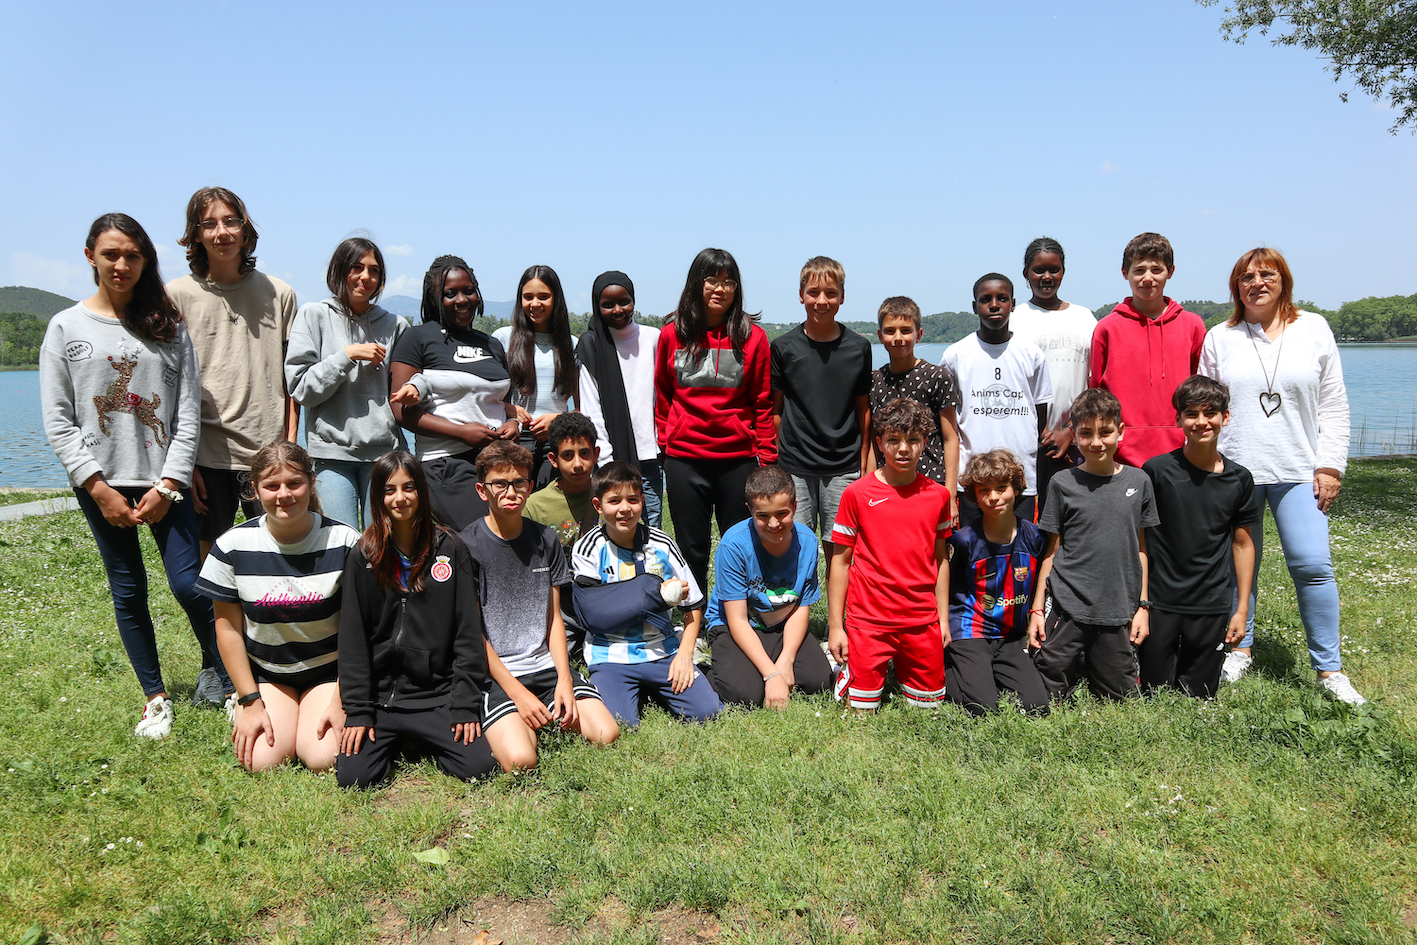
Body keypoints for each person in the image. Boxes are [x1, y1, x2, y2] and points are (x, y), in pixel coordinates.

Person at [40, 212, 232, 736]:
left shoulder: (168, 325)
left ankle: (231, 680)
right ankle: (155, 698)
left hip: (164, 480)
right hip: (101, 483)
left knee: (190, 583)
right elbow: (58, 418)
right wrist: (97, 487)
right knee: (128, 589)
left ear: (146, 260)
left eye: (132, 255)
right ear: (91, 257)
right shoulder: (66, 327)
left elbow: (186, 412)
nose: (121, 264)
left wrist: (169, 484)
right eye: (111, 254)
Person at [1200, 248, 1365, 704]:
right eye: (1246, 277)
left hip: (1299, 471)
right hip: (1236, 472)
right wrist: (1207, 468)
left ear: (1284, 281)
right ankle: (1239, 649)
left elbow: (1334, 404)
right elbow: (1206, 407)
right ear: (1236, 287)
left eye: (1267, 274)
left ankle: (1330, 670)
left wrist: (1330, 465)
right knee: (1237, 568)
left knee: (1312, 565)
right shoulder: (1220, 337)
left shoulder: (1314, 328)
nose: (1257, 283)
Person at [336, 451, 497, 787]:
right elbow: (353, 638)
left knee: (478, 768)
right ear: (378, 497)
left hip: (436, 694)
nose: (400, 498)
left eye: (408, 487)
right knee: (355, 778)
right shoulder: (363, 555)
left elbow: (467, 632)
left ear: (421, 491)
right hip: (383, 698)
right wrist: (359, 711)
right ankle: (395, 739)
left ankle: (425, 737)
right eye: (389, 490)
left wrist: (464, 705)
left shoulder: (450, 548)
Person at [196, 442, 359, 771]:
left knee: (323, 757)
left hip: (330, 672)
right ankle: (276, 711)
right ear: (255, 490)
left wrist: (343, 697)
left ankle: (311, 714)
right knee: (261, 761)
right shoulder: (231, 546)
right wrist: (249, 700)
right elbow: (227, 630)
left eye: (294, 483)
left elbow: (361, 629)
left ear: (311, 483)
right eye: (272, 486)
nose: (284, 494)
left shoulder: (345, 542)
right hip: (268, 674)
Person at [460, 441, 619, 771]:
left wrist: (564, 679)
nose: (511, 492)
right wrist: (518, 695)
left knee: (607, 734)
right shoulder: (466, 546)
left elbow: (554, 619)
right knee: (521, 760)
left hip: (545, 665)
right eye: (500, 484)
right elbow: (474, 635)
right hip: (497, 675)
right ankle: (519, 717)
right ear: (481, 490)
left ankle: (542, 711)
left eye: (519, 483)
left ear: (530, 487)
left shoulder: (546, 539)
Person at [166, 187, 298, 564]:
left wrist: (289, 447)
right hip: (206, 453)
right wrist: (185, 463)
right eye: (209, 224)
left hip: (268, 451)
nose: (221, 232)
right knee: (210, 562)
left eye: (230, 221)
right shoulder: (176, 295)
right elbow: (170, 384)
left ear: (245, 229)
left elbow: (293, 380)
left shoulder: (280, 294)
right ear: (195, 234)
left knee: (279, 554)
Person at [655, 248, 776, 592]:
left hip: (737, 460)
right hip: (685, 459)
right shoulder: (672, 334)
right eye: (712, 280)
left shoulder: (753, 338)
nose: (720, 289)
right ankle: (696, 613)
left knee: (740, 546)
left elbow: (762, 402)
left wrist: (767, 460)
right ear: (697, 283)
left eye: (728, 282)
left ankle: (735, 613)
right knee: (691, 547)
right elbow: (662, 395)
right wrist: (666, 443)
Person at [570, 461, 723, 727]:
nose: (624, 509)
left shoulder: (662, 544)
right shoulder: (588, 549)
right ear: (598, 505)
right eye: (614, 501)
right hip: (610, 654)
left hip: (662, 649)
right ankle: (625, 688)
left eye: (632, 499)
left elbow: (693, 606)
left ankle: (664, 682)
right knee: (620, 723)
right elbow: (591, 612)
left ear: (642, 501)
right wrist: (651, 593)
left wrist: (684, 656)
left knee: (707, 713)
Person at [1028, 389, 1158, 701]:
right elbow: (1051, 553)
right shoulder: (1062, 483)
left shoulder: (1139, 482)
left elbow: (1141, 550)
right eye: (1086, 433)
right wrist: (1037, 609)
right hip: (1068, 604)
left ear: (1120, 431)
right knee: (1045, 691)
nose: (1096, 442)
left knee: (1120, 696)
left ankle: (1095, 660)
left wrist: (1143, 607)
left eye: (1105, 432)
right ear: (1074, 434)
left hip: (1117, 608)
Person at [828, 399, 952, 712]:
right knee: (861, 714)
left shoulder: (938, 496)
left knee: (928, 713)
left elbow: (941, 560)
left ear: (925, 442)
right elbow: (840, 562)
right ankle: (852, 673)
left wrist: (942, 619)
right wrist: (836, 626)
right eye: (894, 440)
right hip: (869, 621)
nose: (903, 449)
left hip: (921, 620)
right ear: (880, 443)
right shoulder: (857, 493)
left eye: (913, 440)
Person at [1139, 376, 1259, 699]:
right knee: (1153, 691)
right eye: (1191, 414)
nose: (1201, 422)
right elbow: (1140, 542)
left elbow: (1243, 545)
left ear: (1225, 417)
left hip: (1211, 603)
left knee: (1199, 694)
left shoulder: (1239, 479)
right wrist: (1141, 604)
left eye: (1210, 413)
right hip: (1161, 601)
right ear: (1178, 419)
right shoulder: (1156, 472)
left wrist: (1240, 610)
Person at [388, 256, 520, 531]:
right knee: (481, 536)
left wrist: (512, 423)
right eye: (450, 294)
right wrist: (461, 432)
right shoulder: (417, 338)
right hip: (445, 465)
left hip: (497, 462)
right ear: (433, 298)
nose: (462, 300)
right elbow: (400, 410)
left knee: (507, 537)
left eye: (468, 291)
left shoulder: (491, 344)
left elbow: (503, 403)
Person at [284, 237, 406, 529]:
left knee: (384, 541)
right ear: (339, 270)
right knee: (341, 541)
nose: (366, 277)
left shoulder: (396, 325)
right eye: (356, 268)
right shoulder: (313, 316)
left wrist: (418, 389)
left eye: (374, 270)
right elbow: (300, 389)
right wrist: (347, 356)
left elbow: (415, 380)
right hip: (330, 454)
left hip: (384, 454)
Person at [771, 256, 872, 589]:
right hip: (796, 466)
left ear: (842, 296)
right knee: (795, 548)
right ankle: (795, 614)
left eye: (830, 293)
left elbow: (863, 409)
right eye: (813, 293)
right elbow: (776, 409)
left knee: (840, 552)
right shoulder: (783, 347)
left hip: (843, 465)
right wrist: (781, 455)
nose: (822, 301)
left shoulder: (859, 347)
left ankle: (837, 619)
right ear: (801, 295)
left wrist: (864, 460)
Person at [703, 465, 834, 708]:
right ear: (750, 510)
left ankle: (771, 659)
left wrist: (787, 659)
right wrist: (772, 674)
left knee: (819, 682)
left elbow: (800, 607)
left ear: (795, 506)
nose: (773, 523)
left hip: (782, 622)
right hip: (735, 625)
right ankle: (704, 669)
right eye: (762, 516)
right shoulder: (733, 545)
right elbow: (737, 620)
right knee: (744, 695)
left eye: (782, 513)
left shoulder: (807, 542)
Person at [940, 274, 1052, 529]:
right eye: (985, 299)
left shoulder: (1031, 354)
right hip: (971, 479)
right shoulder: (956, 355)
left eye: (1002, 299)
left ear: (1013, 304)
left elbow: (1040, 416)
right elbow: (947, 421)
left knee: (1021, 548)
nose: (994, 305)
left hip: (1020, 479)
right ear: (974, 306)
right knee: (972, 548)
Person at [945, 450, 1050, 716]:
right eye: (984, 490)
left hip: (1011, 635)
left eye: (1001, 488)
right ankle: (949, 669)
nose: (993, 497)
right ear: (974, 496)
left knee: (1037, 707)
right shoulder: (963, 541)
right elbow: (948, 588)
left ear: (1016, 489)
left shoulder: (1034, 537)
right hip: (970, 631)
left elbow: (1043, 578)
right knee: (982, 708)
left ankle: (986, 675)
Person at [1089, 233, 1205, 468]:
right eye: (1139, 270)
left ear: (1170, 271)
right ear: (1125, 273)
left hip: (1181, 454)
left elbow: (1200, 389)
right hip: (1121, 457)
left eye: (1156, 270)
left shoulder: (1192, 326)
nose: (1148, 278)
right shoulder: (1107, 328)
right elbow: (1097, 394)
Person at [1008, 237, 1097, 508]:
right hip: (1027, 442)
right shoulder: (1014, 318)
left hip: (1077, 441)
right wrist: (1039, 431)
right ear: (1026, 273)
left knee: (1074, 517)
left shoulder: (1085, 318)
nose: (1047, 277)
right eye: (1038, 270)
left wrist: (1071, 430)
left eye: (1054, 270)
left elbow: (1095, 383)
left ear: (1063, 272)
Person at [577, 271, 664, 526]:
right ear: (597, 306)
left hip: (650, 455)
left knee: (652, 528)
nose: (618, 310)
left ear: (634, 300)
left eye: (624, 302)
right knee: (617, 529)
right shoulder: (591, 345)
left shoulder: (653, 338)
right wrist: (607, 461)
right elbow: (591, 408)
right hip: (611, 458)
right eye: (608, 304)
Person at [870, 296, 960, 511]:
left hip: (931, 480)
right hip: (887, 482)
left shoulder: (937, 377)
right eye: (890, 331)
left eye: (905, 330)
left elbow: (950, 438)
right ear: (880, 336)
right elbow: (874, 442)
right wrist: (870, 487)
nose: (898, 338)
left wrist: (950, 494)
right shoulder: (874, 380)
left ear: (918, 335)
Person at [492, 266, 578, 486]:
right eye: (528, 297)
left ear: (556, 299)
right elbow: (485, 395)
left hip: (557, 441)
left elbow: (584, 407)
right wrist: (509, 409)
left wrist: (558, 420)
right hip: (513, 438)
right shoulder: (503, 338)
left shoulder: (572, 345)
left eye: (543, 297)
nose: (535, 304)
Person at [524, 412, 601, 657]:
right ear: (553, 459)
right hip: (559, 608)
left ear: (596, 454)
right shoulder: (535, 506)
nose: (577, 464)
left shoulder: (611, 495)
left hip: (604, 601)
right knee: (547, 659)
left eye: (584, 453)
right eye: (568, 455)